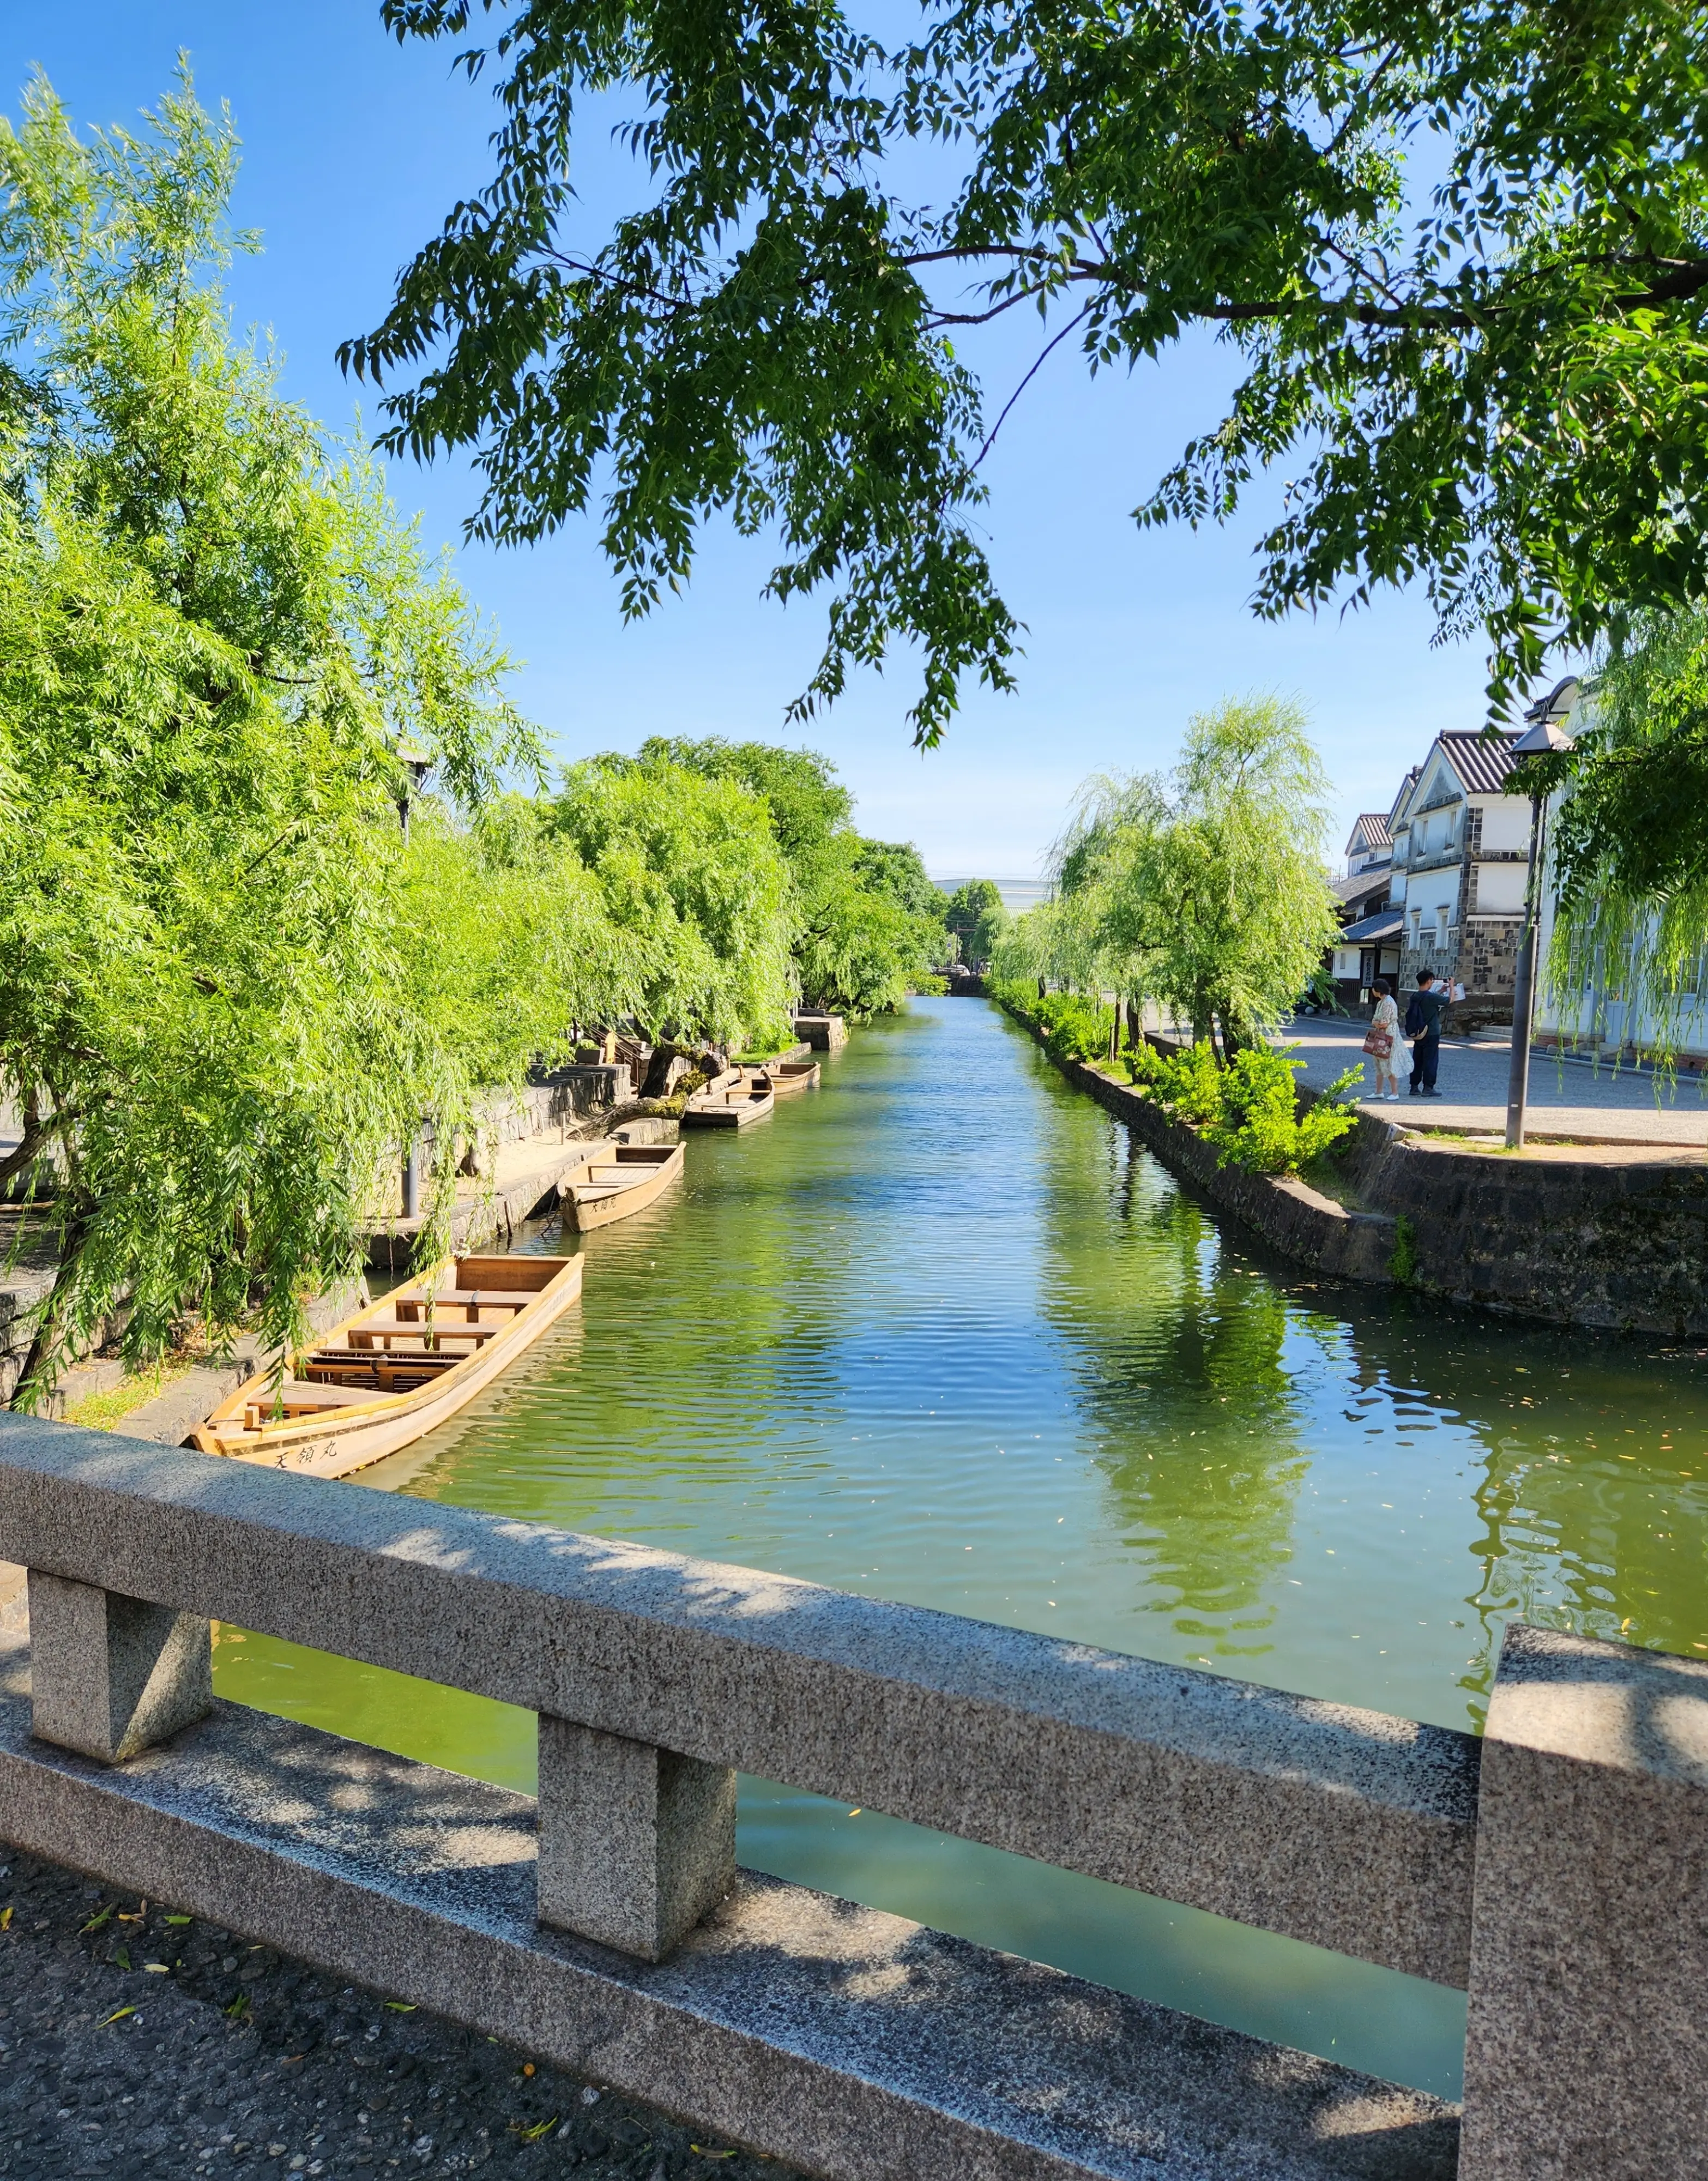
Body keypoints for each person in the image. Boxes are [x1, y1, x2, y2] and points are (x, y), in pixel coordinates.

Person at [1403, 969, 1447, 1096]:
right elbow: (1449, 1001)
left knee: (1418, 1059)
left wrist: (1440, 991)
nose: (1432, 983)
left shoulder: (1415, 996)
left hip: (1418, 1033)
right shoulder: (1430, 997)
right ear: (1429, 981)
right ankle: (1428, 1087)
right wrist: (1451, 986)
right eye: (1432, 981)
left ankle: (1414, 1086)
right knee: (1431, 1060)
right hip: (1431, 1032)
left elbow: (1430, 999)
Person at [1366, 978, 1401, 1100]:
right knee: (1378, 1064)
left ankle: (1395, 1092)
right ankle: (1379, 1091)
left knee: (1388, 1062)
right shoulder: (1382, 1002)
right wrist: (1376, 1023)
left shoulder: (1388, 1002)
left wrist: (1376, 1023)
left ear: (1378, 990)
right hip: (1381, 1034)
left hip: (1388, 1035)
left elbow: (1384, 1023)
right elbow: (1375, 1020)